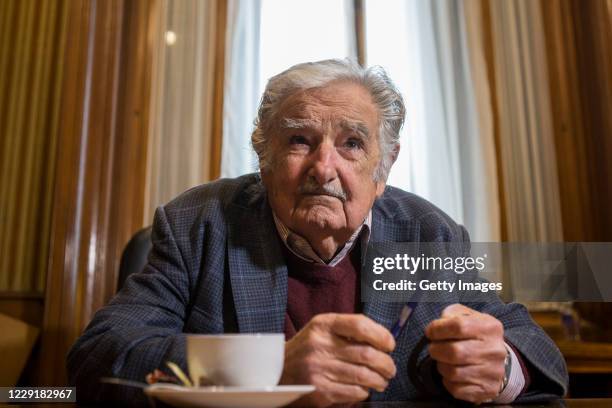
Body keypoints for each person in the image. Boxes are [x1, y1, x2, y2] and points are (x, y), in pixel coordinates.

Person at [68, 59, 568, 406]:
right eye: (300, 140)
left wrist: (500, 367)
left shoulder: (428, 234)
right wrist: (270, 371)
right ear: (264, 161)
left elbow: (540, 355)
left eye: (351, 143)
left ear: (383, 168)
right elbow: (100, 355)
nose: (323, 168)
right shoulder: (198, 223)